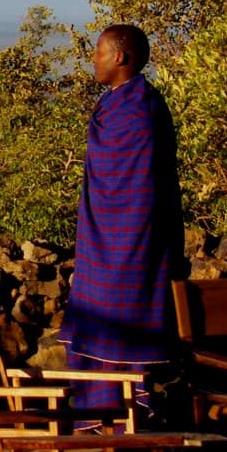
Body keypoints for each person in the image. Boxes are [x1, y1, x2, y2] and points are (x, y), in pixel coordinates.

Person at [59, 24, 186, 425]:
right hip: (101, 244)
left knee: (119, 338)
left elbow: (140, 188)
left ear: (119, 57)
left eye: (98, 53)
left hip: (129, 247)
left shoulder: (140, 109)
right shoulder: (116, 104)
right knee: (93, 335)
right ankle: (101, 428)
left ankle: (122, 430)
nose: (92, 61)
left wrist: (121, 240)